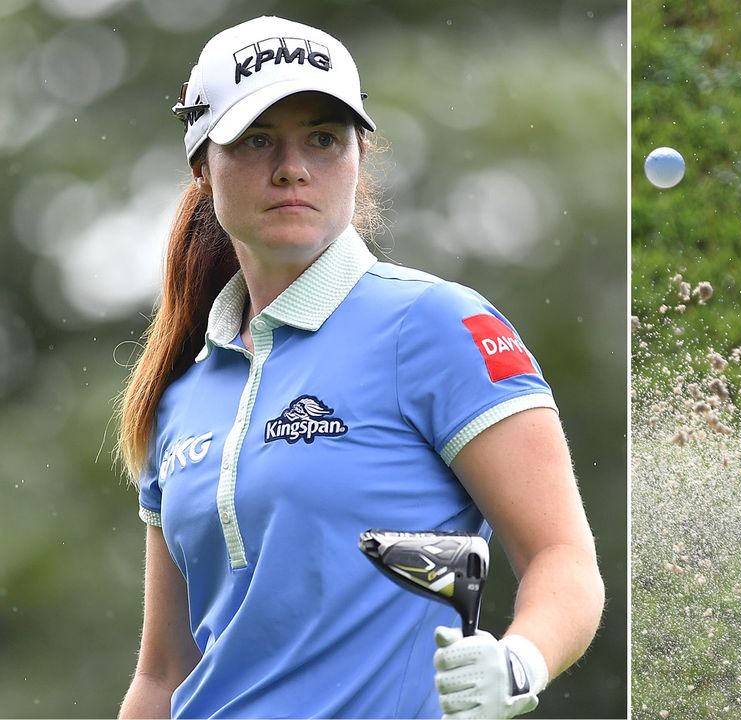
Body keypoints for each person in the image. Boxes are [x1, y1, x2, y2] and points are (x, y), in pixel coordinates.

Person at [113, 16, 603, 719]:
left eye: (323, 138)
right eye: (257, 140)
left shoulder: (437, 326)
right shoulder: (181, 397)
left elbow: (563, 558)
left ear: (358, 155)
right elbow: (163, 676)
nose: (293, 167)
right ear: (200, 164)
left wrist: (521, 660)